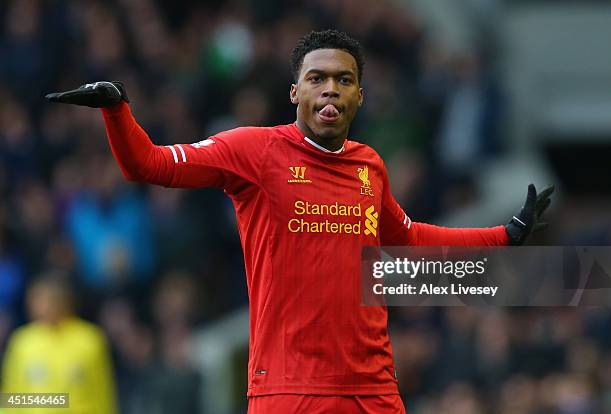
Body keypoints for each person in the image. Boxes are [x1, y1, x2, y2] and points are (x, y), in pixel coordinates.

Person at [46, 29, 553, 414]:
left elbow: (408, 235)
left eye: (343, 80)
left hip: (372, 388)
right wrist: (116, 108)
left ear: (359, 96)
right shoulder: (252, 151)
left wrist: (501, 237)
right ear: (295, 93)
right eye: (317, 78)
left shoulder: (369, 165)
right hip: (288, 389)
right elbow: (149, 164)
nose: (330, 89)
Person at [1, 273, 117, 414]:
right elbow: (11, 394)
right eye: (33, 299)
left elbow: (103, 391)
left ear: (63, 301)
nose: (37, 306)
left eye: (43, 299)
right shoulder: (22, 340)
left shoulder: (89, 339)